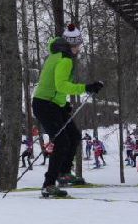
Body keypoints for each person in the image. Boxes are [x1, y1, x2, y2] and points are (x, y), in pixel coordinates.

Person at [30, 24, 103, 198]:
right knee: (62, 142)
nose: (79, 48)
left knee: (74, 136)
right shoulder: (64, 59)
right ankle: (48, 184)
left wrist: (64, 104)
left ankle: (63, 173)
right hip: (45, 105)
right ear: (71, 45)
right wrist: (87, 88)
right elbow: (60, 85)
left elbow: (55, 87)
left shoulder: (56, 55)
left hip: (54, 104)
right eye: (78, 45)